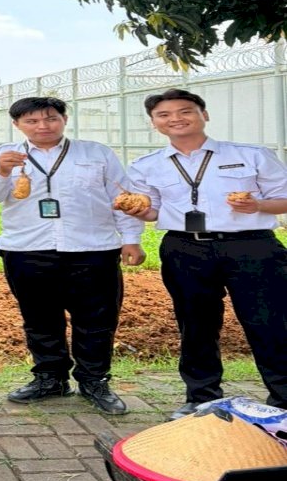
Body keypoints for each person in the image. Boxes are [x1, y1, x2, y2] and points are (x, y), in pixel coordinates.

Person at [121, 88, 287, 420]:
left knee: (269, 321)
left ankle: (283, 399)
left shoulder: (251, 154)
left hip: (252, 246)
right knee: (195, 323)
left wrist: (257, 205)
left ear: (204, 115)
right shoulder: (146, 166)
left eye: (185, 111)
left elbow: (283, 198)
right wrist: (138, 212)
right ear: (154, 123)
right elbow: (151, 211)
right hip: (185, 248)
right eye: (164, 115)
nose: (175, 119)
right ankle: (201, 396)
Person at [0, 97, 145, 415]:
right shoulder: (1, 155)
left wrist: (132, 240)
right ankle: (50, 378)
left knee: (96, 320)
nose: (43, 126)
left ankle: (94, 381)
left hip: (92, 249)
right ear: (17, 125)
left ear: (64, 119)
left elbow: (123, 197)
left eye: (51, 118)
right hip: (27, 249)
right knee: (39, 318)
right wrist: (1, 171)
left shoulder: (96, 153)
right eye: (32, 121)